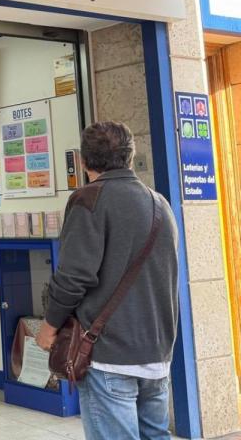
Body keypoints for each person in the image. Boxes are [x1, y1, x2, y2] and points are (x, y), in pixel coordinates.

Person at [36, 122, 178, 440]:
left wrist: (49, 327)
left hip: (109, 356)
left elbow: (74, 276)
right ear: (130, 156)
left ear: (83, 161)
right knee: (156, 434)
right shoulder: (160, 204)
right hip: (156, 353)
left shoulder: (89, 199)